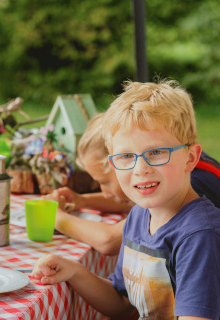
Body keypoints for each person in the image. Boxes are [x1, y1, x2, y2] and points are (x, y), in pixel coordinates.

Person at [33, 80, 220, 319]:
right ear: (113, 164)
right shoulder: (139, 216)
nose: (141, 168)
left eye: (156, 152)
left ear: (191, 158)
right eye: (126, 156)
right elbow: (124, 304)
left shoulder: (199, 235)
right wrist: (74, 271)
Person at [44, 112, 220, 255]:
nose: (104, 191)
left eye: (104, 182)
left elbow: (109, 241)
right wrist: (83, 200)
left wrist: (57, 217)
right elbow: (129, 202)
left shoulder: (189, 186)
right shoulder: (175, 169)